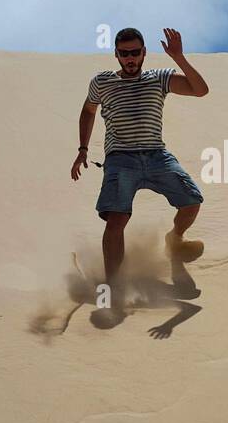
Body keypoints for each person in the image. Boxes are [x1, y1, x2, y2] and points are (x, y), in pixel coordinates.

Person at [71, 26, 208, 311]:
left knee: (192, 201)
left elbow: (200, 90)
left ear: (144, 52)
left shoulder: (158, 78)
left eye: (135, 52)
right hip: (121, 159)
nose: (130, 58)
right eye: (124, 54)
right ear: (117, 55)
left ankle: (176, 239)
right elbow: (88, 110)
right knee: (116, 219)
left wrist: (179, 57)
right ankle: (114, 287)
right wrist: (83, 149)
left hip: (157, 155)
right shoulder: (102, 82)